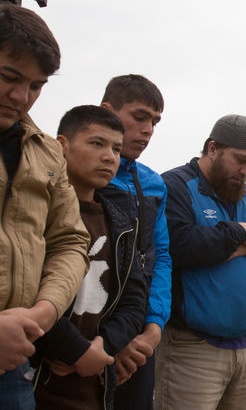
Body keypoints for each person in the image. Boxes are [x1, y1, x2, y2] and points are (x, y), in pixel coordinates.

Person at [156, 115, 246, 409]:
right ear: (213, 148)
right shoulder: (175, 186)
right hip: (192, 348)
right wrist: (241, 233)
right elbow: (181, 245)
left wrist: (242, 248)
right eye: (240, 160)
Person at [0, 3, 90, 407]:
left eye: (36, 87)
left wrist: (44, 313)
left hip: (15, 364)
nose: (21, 97)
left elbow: (70, 241)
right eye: (8, 77)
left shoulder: (48, 154)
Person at [33, 106, 148, 408]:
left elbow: (134, 299)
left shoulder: (121, 221)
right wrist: (75, 350)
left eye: (116, 149)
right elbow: (25, 291)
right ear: (62, 145)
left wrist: (102, 348)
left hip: (95, 385)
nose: (110, 157)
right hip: (35, 380)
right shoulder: (36, 212)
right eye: (97, 144)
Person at [100, 74, 172, 408]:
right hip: (84, 336)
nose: (148, 130)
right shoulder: (67, 170)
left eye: (155, 122)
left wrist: (154, 327)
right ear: (107, 111)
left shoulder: (153, 183)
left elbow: (159, 257)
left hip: (140, 337)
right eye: (139, 117)